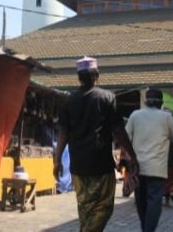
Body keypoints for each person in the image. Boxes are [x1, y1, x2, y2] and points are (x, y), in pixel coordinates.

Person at [53, 56, 138, 232]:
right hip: (101, 165)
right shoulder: (107, 97)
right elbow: (119, 131)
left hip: (79, 166)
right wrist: (132, 154)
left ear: (79, 78)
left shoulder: (69, 101)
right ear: (97, 75)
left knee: (85, 208)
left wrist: (57, 160)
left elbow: (63, 133)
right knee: (105, 206)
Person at [125, 88, 173, 232]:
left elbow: (125, 139)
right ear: (161, 103)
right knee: (154, 202)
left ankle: (145, 228)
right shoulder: (166, 118)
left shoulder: (135, 115)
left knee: (141, 201)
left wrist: (127, 160)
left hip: (138, 167)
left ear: (146, 102)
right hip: (157, 169)